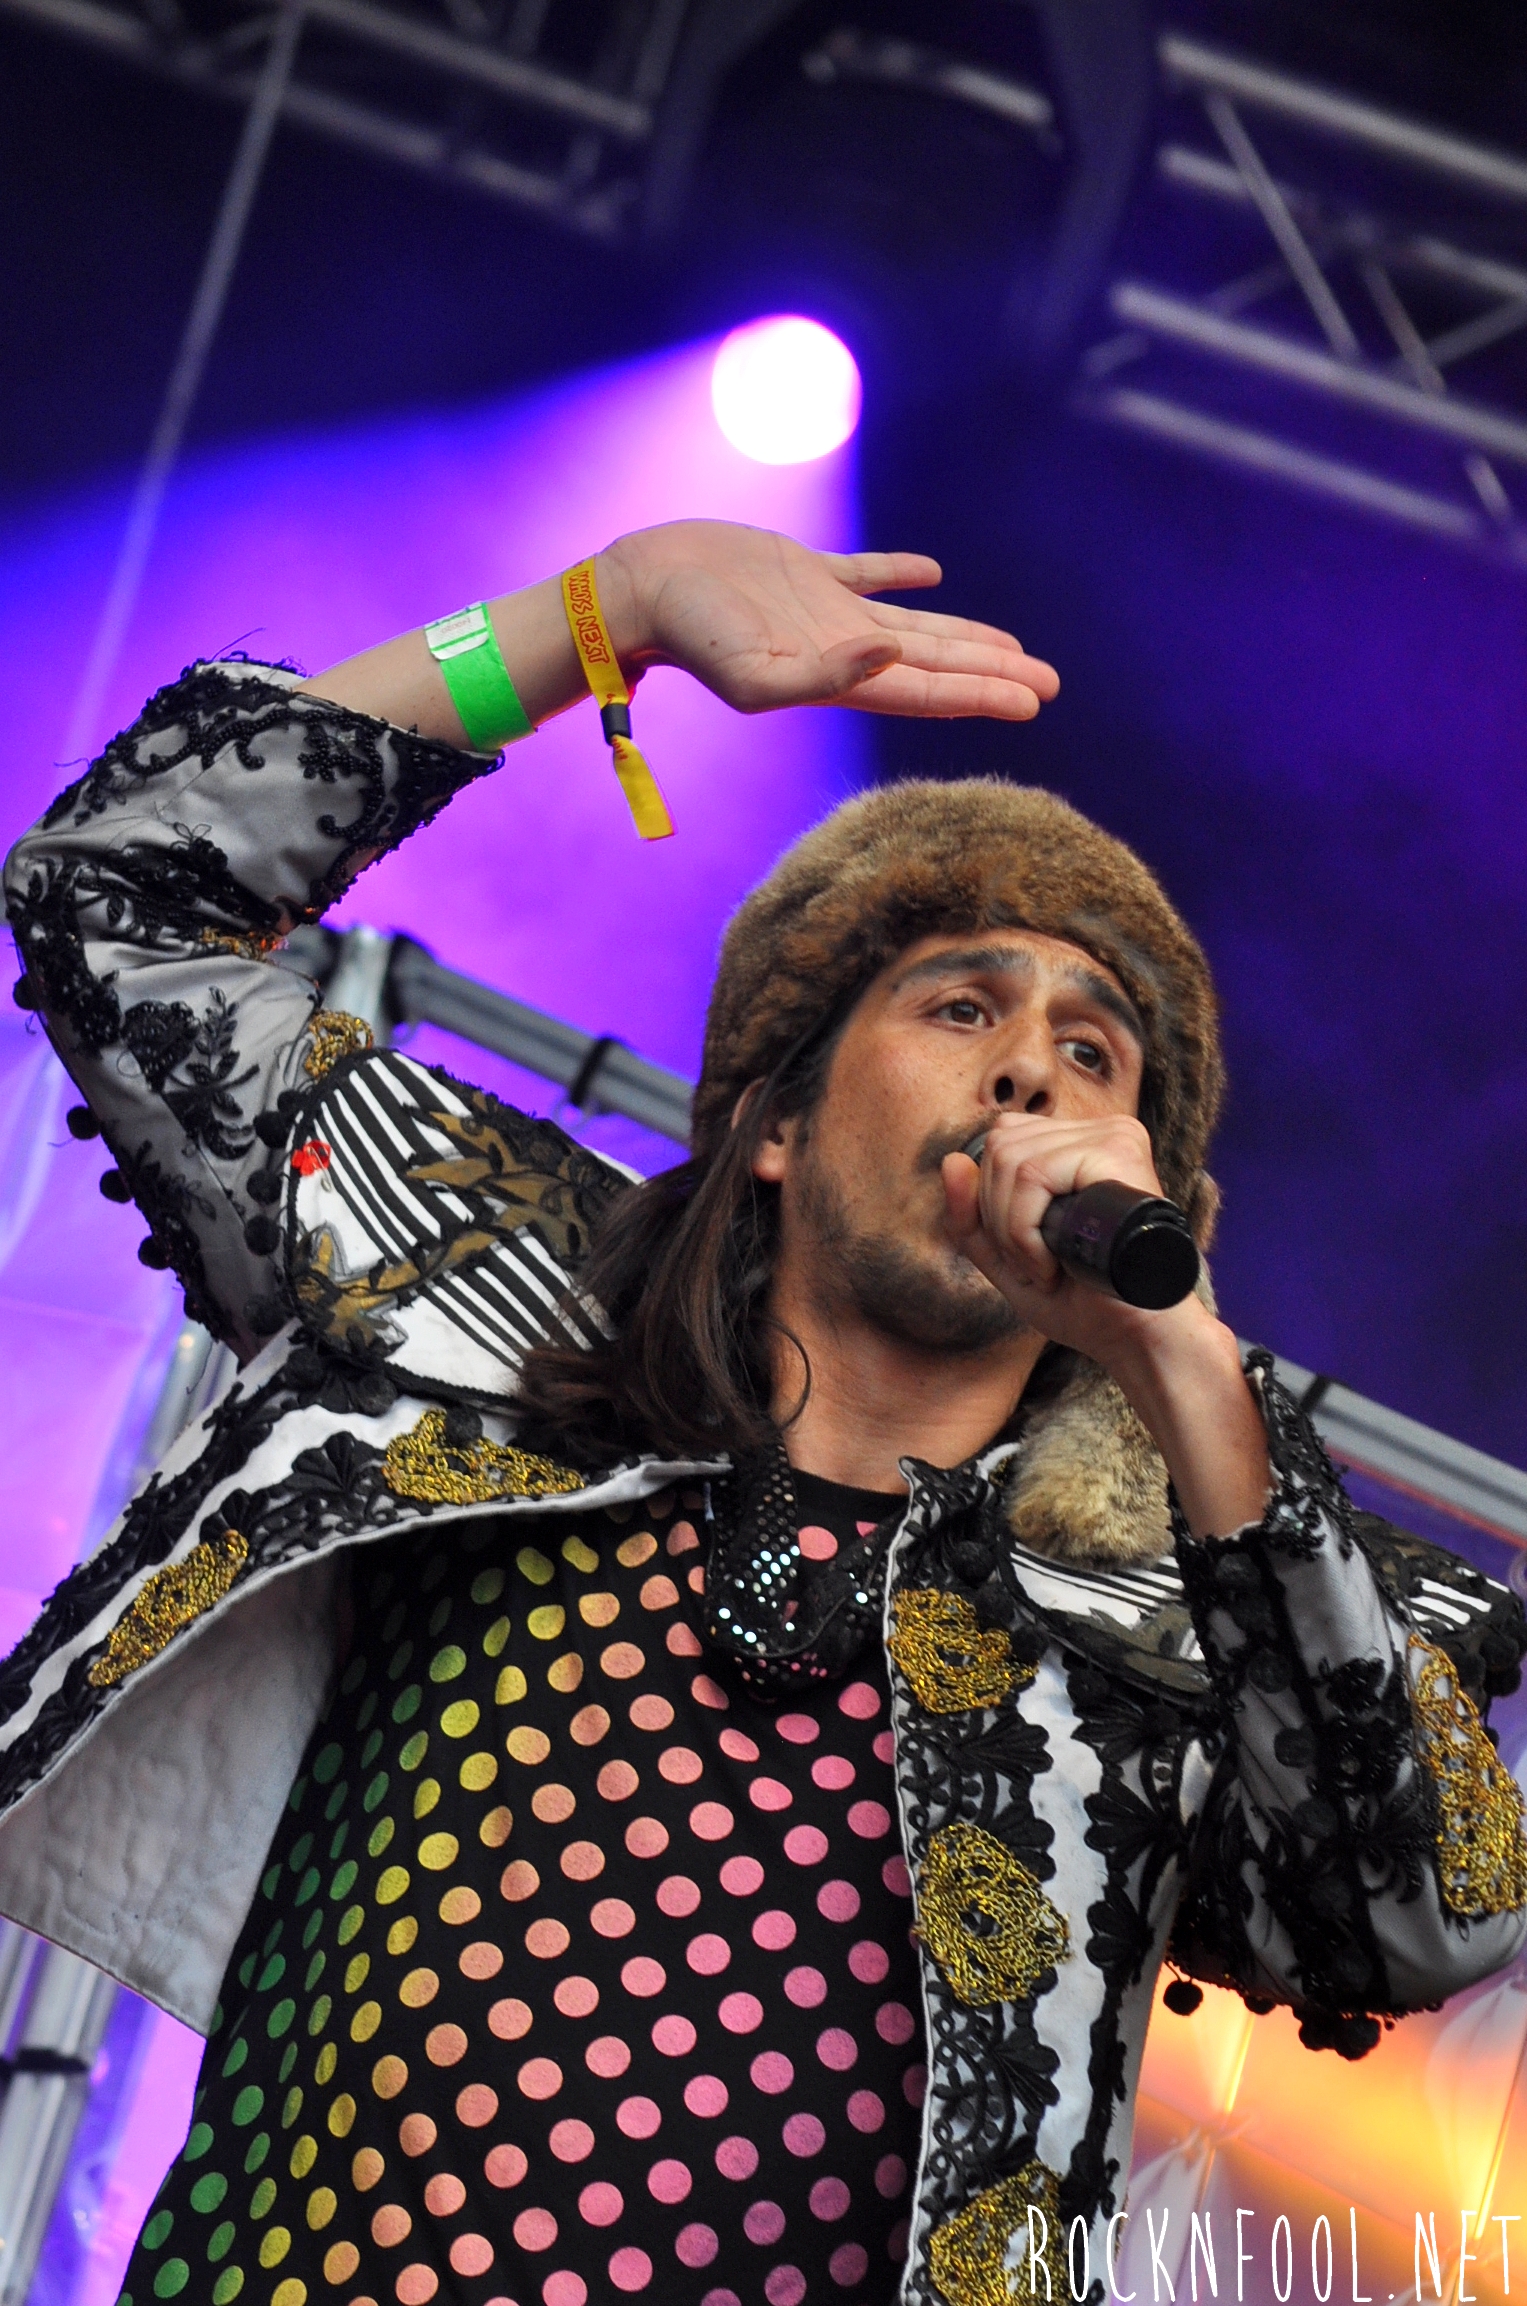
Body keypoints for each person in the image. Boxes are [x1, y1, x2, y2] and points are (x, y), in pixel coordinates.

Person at [3, 518, 1525, 2306]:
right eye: (962, 1004)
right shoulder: (490, 1299)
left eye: (1093, 1055)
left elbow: (1428, 1913)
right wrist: (600, 617)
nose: (1029, 1069)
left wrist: (1184, 1360)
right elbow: (117, 891)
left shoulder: (1182, 1622)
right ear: (775, 1121)